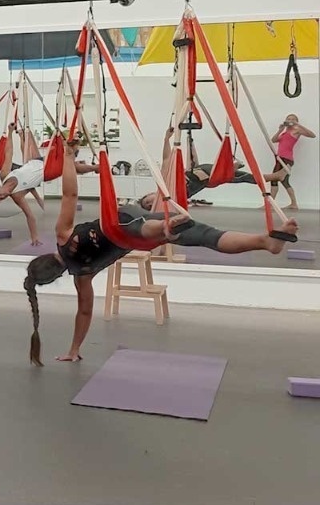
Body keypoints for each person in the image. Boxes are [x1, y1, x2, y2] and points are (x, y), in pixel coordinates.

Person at [21, 150, 297, 366]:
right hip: (126, 223)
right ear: (43, 256)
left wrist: (74, 349)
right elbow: (70, 194)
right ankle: (166, 226)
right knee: (138, 224)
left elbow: (84, 313)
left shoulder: (83, 276)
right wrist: (69, 159)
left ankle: (264, 242)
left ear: (56, 277)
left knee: (207, 237)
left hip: (142, 240)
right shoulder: (63, 235)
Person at [269, 114, 314, 208]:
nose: (290, 120)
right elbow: (273, 140)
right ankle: (293, 204)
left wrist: (298, 125)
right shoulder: (284, 132)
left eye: (293, 119)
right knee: (283, 181)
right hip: (280, 159)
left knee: (275, 179)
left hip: (286, 159)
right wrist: (280, 130)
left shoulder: (296, 131)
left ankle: (271, 204)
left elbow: (312, 135)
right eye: (289, 119)